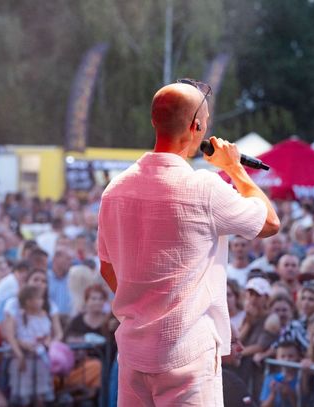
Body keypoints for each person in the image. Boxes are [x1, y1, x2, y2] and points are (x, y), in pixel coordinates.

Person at [97, 79, 280, 406]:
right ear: (197, 127)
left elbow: (107, 268)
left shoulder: (115, 189)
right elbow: (269, 223)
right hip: (188, 353)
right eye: (205, 121)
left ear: (154, 121)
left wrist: (145, 309)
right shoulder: (204, 188)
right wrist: (235, 169)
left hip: (134, 352)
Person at [8, 285, 55, 406]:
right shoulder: (18, 316)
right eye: (38, 298)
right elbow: (13, 336)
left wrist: (47, 341)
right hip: (25, 361)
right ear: (28, 301)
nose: (41, 301)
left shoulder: (45, 315)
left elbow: (49, 334)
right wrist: (22, 348)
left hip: (41, 360)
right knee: (25, 396)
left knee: (40, 395)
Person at [260, 341, 301, 407]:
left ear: (298, 357)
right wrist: (273, 394)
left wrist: (289, 393)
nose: (286, 360)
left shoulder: (301, 378)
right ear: (277, 358)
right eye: (282, 356)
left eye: (291, 356)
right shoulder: (271, 378)